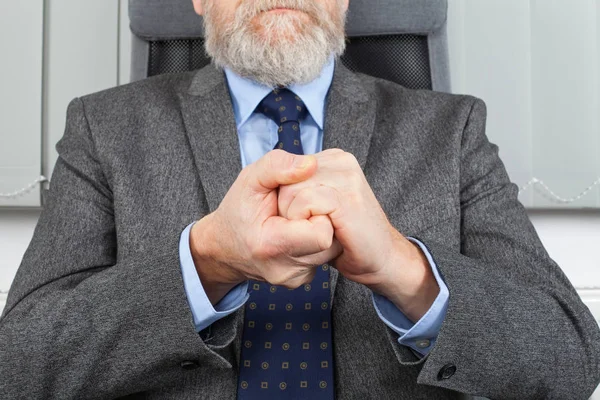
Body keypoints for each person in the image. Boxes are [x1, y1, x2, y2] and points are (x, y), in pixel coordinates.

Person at [0, 0, 599, 398]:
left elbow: (570, 359)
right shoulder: (105, 128)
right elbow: (17, 365)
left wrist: (402, 269)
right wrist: (204, 261)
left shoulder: (452, 130)